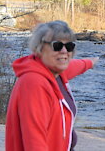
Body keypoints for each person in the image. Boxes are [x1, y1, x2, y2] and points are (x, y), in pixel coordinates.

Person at [5, 20, 99, 151]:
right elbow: (35, 141)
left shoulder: (56, 73)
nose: (64, 51)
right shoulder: (34, 83)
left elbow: (75, 66)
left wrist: (90, 62)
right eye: (57, 45)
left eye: (70, 46)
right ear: (39, 48)